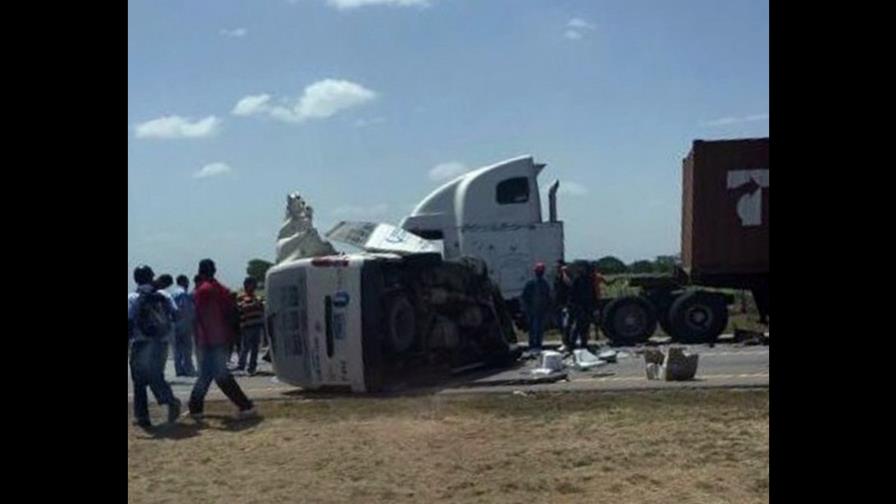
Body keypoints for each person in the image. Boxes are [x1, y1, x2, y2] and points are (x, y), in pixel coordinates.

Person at [188, 259, 256, 419]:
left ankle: (245, 406)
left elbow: (204, 318)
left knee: (219, 376)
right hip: (224, 338)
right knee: (208, 375)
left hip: (211, 340)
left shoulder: (203, 291)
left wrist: (200, 339)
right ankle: (195, 408)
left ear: (200, 271)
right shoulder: (223, 289)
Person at [128, 265, 181, 428]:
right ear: (152, 277)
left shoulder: (132, 297)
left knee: (139, 381)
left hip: (140, 343)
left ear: (135, 279)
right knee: (156, 375)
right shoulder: (163, 295)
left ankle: (142, 417)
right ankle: (170, 400)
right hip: (161, 343)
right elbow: (176, 314)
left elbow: (129, 320)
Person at [520, 262, 552, 355]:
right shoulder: (531, 283)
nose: (540, 273)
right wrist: (526, 309)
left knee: (539, 329)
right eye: (539, 271)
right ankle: (533, 346)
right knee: (534, 329)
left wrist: (548, 308)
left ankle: (537, 346)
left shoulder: (544, 284)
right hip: (533, 311)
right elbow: (525, 297)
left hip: (541, 310)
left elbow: (548, 297)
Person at [236, 277, 265, 375]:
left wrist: (257, 304)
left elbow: (262, 308)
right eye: (252, 284)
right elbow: (242, 308)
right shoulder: (241, 297)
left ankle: (252, 367)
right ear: (247, 285)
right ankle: (241, 365)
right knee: (245, 347)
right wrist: (254, 304)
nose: (254, 286)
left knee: (255, 348)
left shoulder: (257, 297)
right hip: (247, 326)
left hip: (257, 325)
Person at [172, 275, 197, 377]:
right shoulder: (182, 293)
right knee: (187, 347)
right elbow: (185, 309)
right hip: (184, 323)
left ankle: (179, 369)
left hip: (174, 323)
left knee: (177, 348)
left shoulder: (173, 293)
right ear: (184, 282)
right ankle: (188, 369)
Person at [568, 262, 597, 349]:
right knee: (578, 326)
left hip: (587, 306)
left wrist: (594, 306)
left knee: (585, 326)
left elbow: (593, 294)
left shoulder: (589, 280)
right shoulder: (578, 280)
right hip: (579, 306)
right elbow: (572, 294)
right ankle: (572, 344)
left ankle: (583, 343)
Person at [553, 260, 573, 351]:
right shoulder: (557, 277)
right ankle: (564, 342)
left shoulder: (566, 276)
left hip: (565, 304)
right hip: (558, 304)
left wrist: (564, 272)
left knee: (566, 326)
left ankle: (567, 343)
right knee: (561, 326)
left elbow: (569, 284)